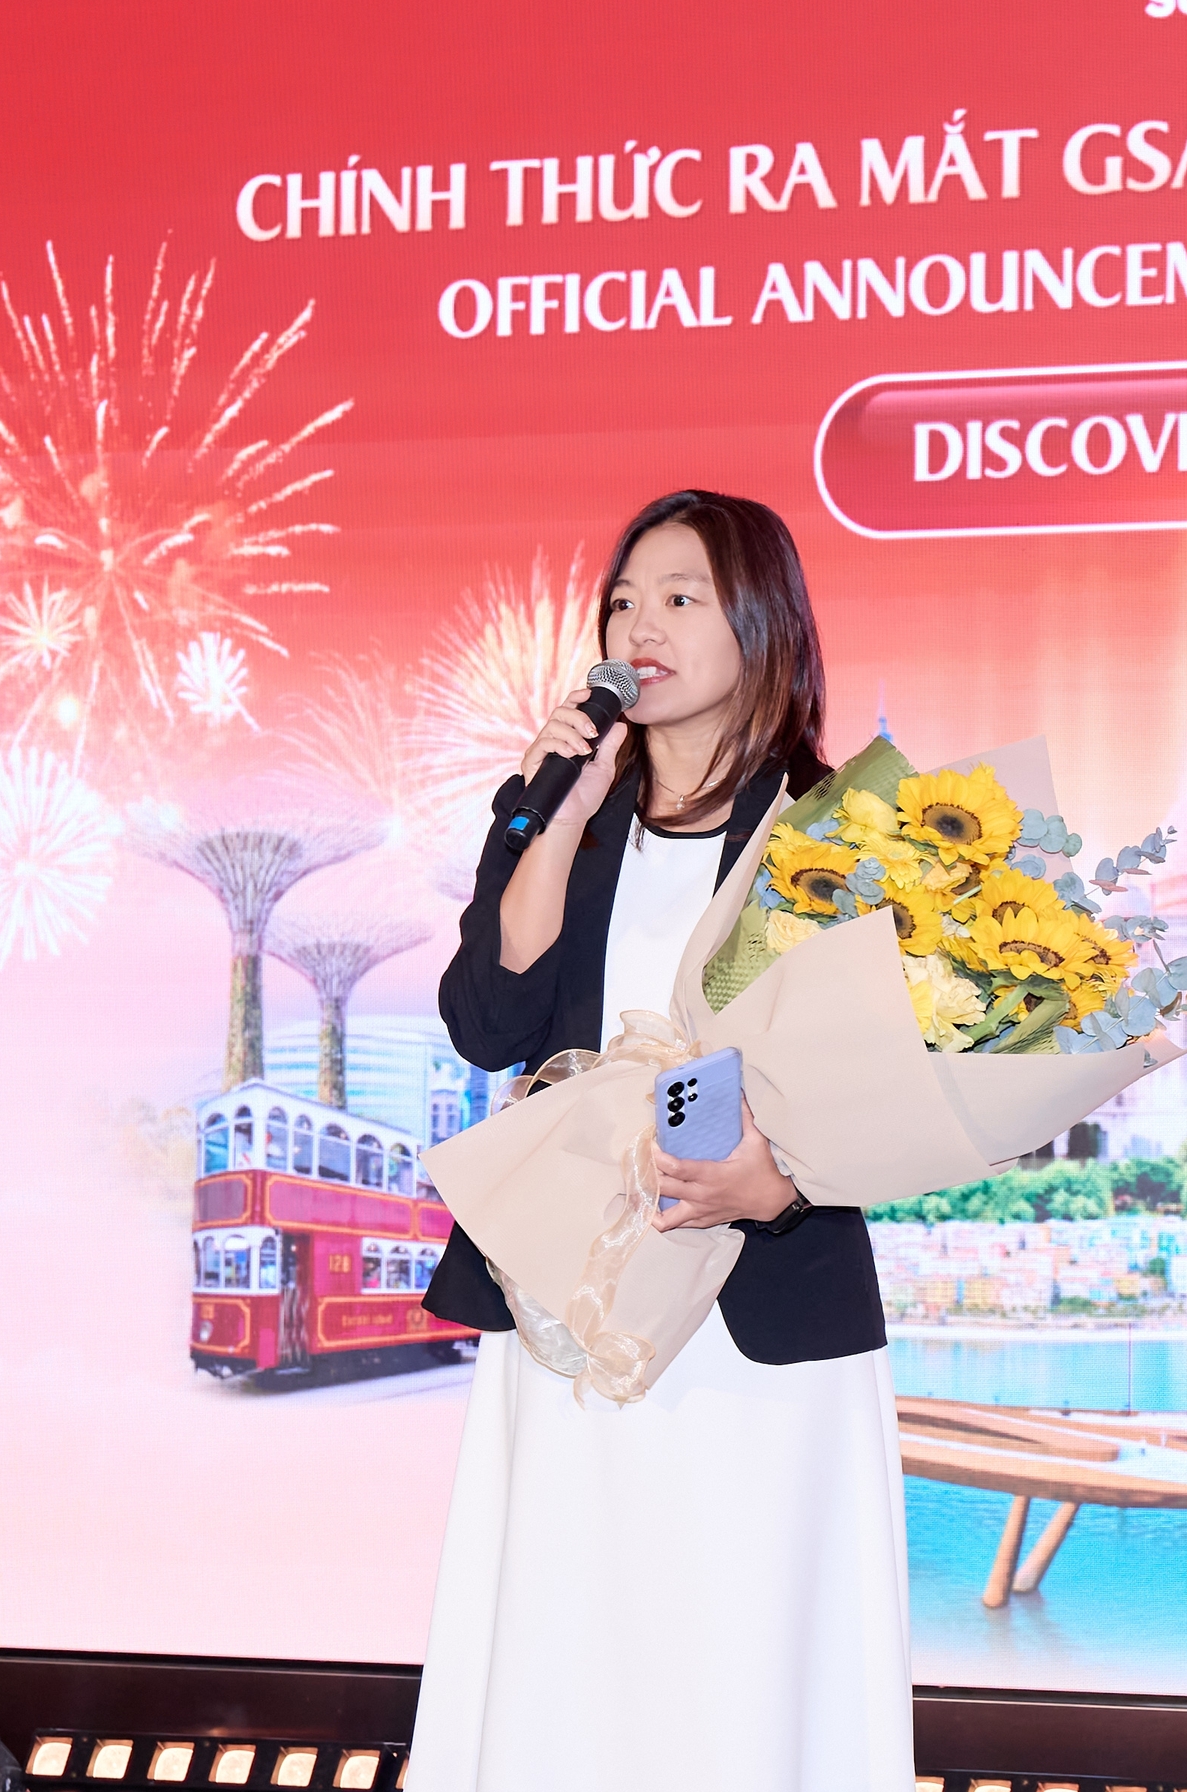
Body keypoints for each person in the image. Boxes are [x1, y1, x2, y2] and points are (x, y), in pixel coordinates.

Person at [409, 491, 909, 1792]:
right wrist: (557, 812)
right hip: (579, 1311)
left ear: (763, 622)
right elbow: (487, 1020)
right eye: (625, 600)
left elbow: (896, 1084)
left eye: (683, 597)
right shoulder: (562, 822)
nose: (644, 624)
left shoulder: (838, 830)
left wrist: (779, 1180)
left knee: (741, 1660)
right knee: (570, 1647)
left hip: (759, 1320)